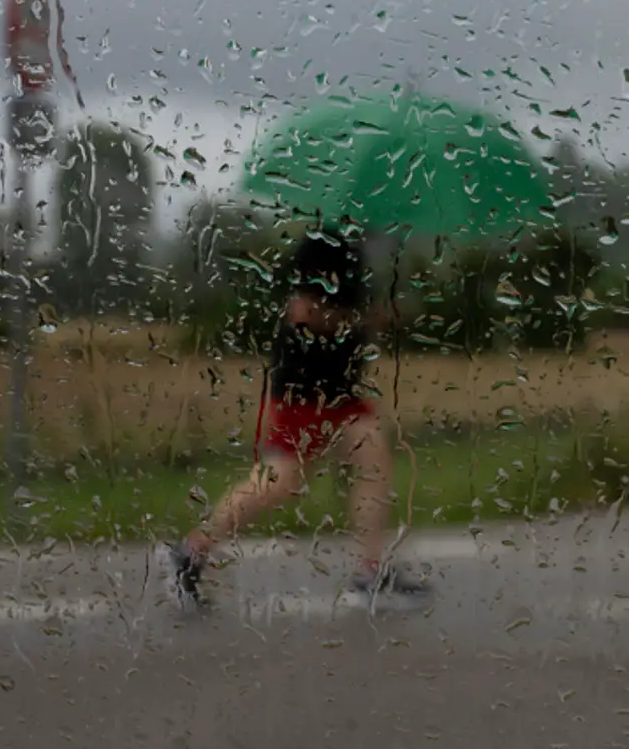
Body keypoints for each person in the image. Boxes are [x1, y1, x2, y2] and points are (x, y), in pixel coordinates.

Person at [163, 228, 430, 611]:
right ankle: (193, 548)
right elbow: (307, 313)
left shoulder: (356, 259)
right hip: (303, 396)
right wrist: (358, 318)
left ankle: (369, 570)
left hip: (340, 397)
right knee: (278, 482)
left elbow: (347, 324)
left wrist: (372, 317)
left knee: (373, 457)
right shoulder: (320, 250)